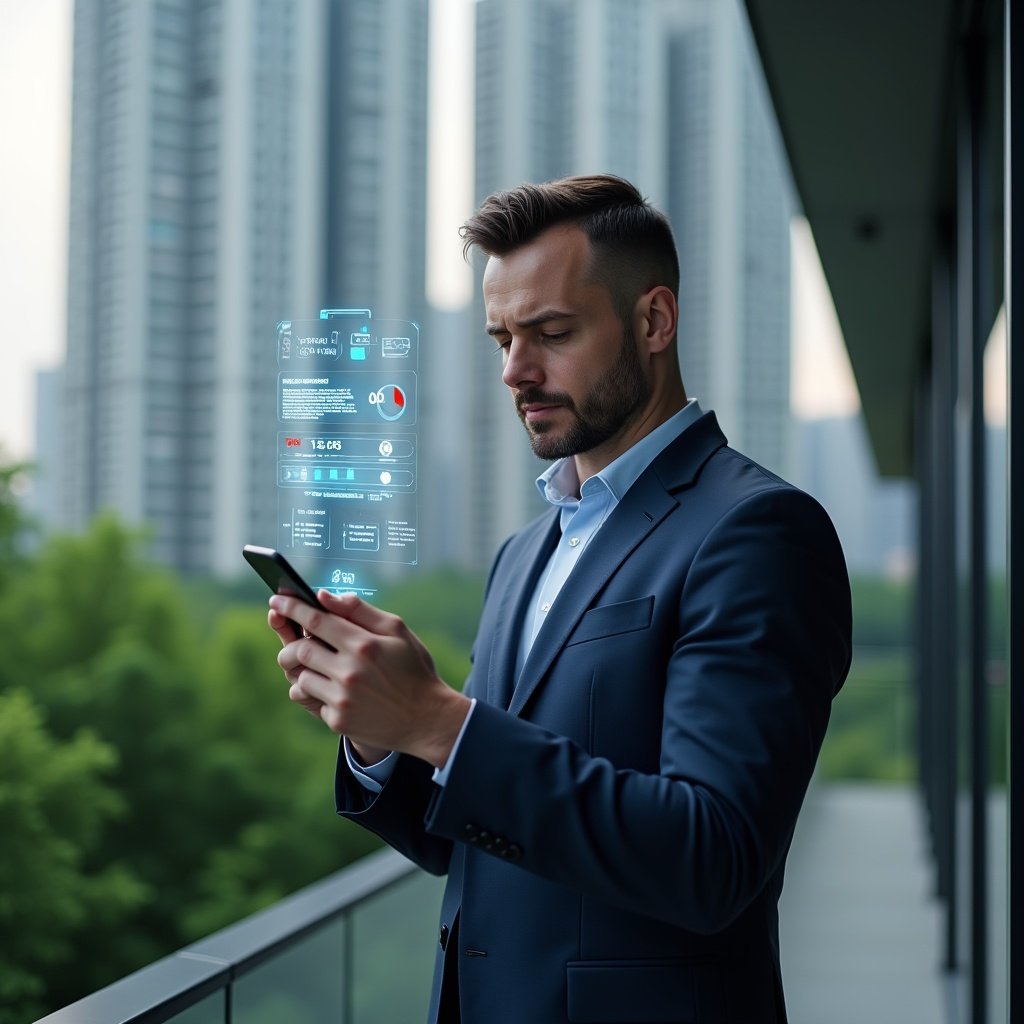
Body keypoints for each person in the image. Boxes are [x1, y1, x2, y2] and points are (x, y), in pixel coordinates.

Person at [268, 174, 852, 1023]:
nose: (516, 371)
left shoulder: (758, 531)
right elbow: (466, 833)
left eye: (551, 333)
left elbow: (713, 857)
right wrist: (383, 734)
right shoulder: (525, 552)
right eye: (501, 338)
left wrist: (440, 721)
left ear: (654, 321)